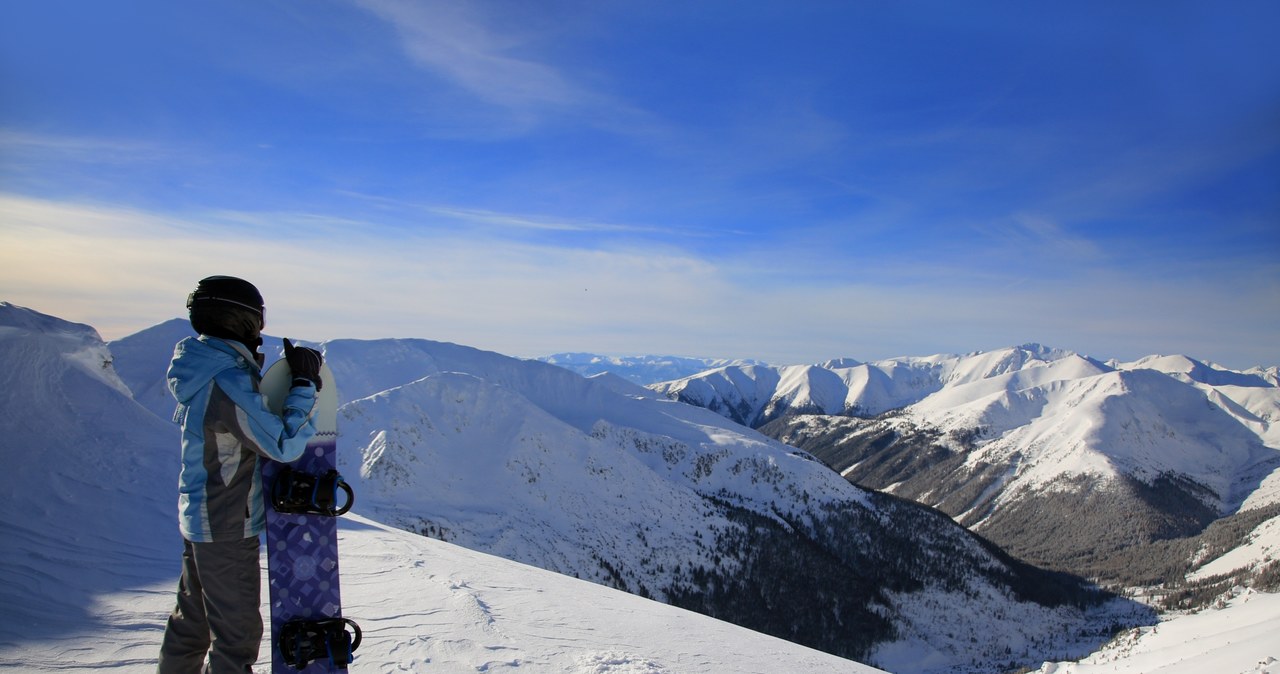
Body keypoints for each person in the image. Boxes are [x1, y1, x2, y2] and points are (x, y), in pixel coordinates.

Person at [158, 275, 325, 674]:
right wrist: (304, 385)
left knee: (192, 626)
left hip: (200, 518)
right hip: (227, 525)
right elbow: (282, 445)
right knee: (236, 638)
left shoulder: (199, 365)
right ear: (244, 320)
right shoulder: (227, 382)